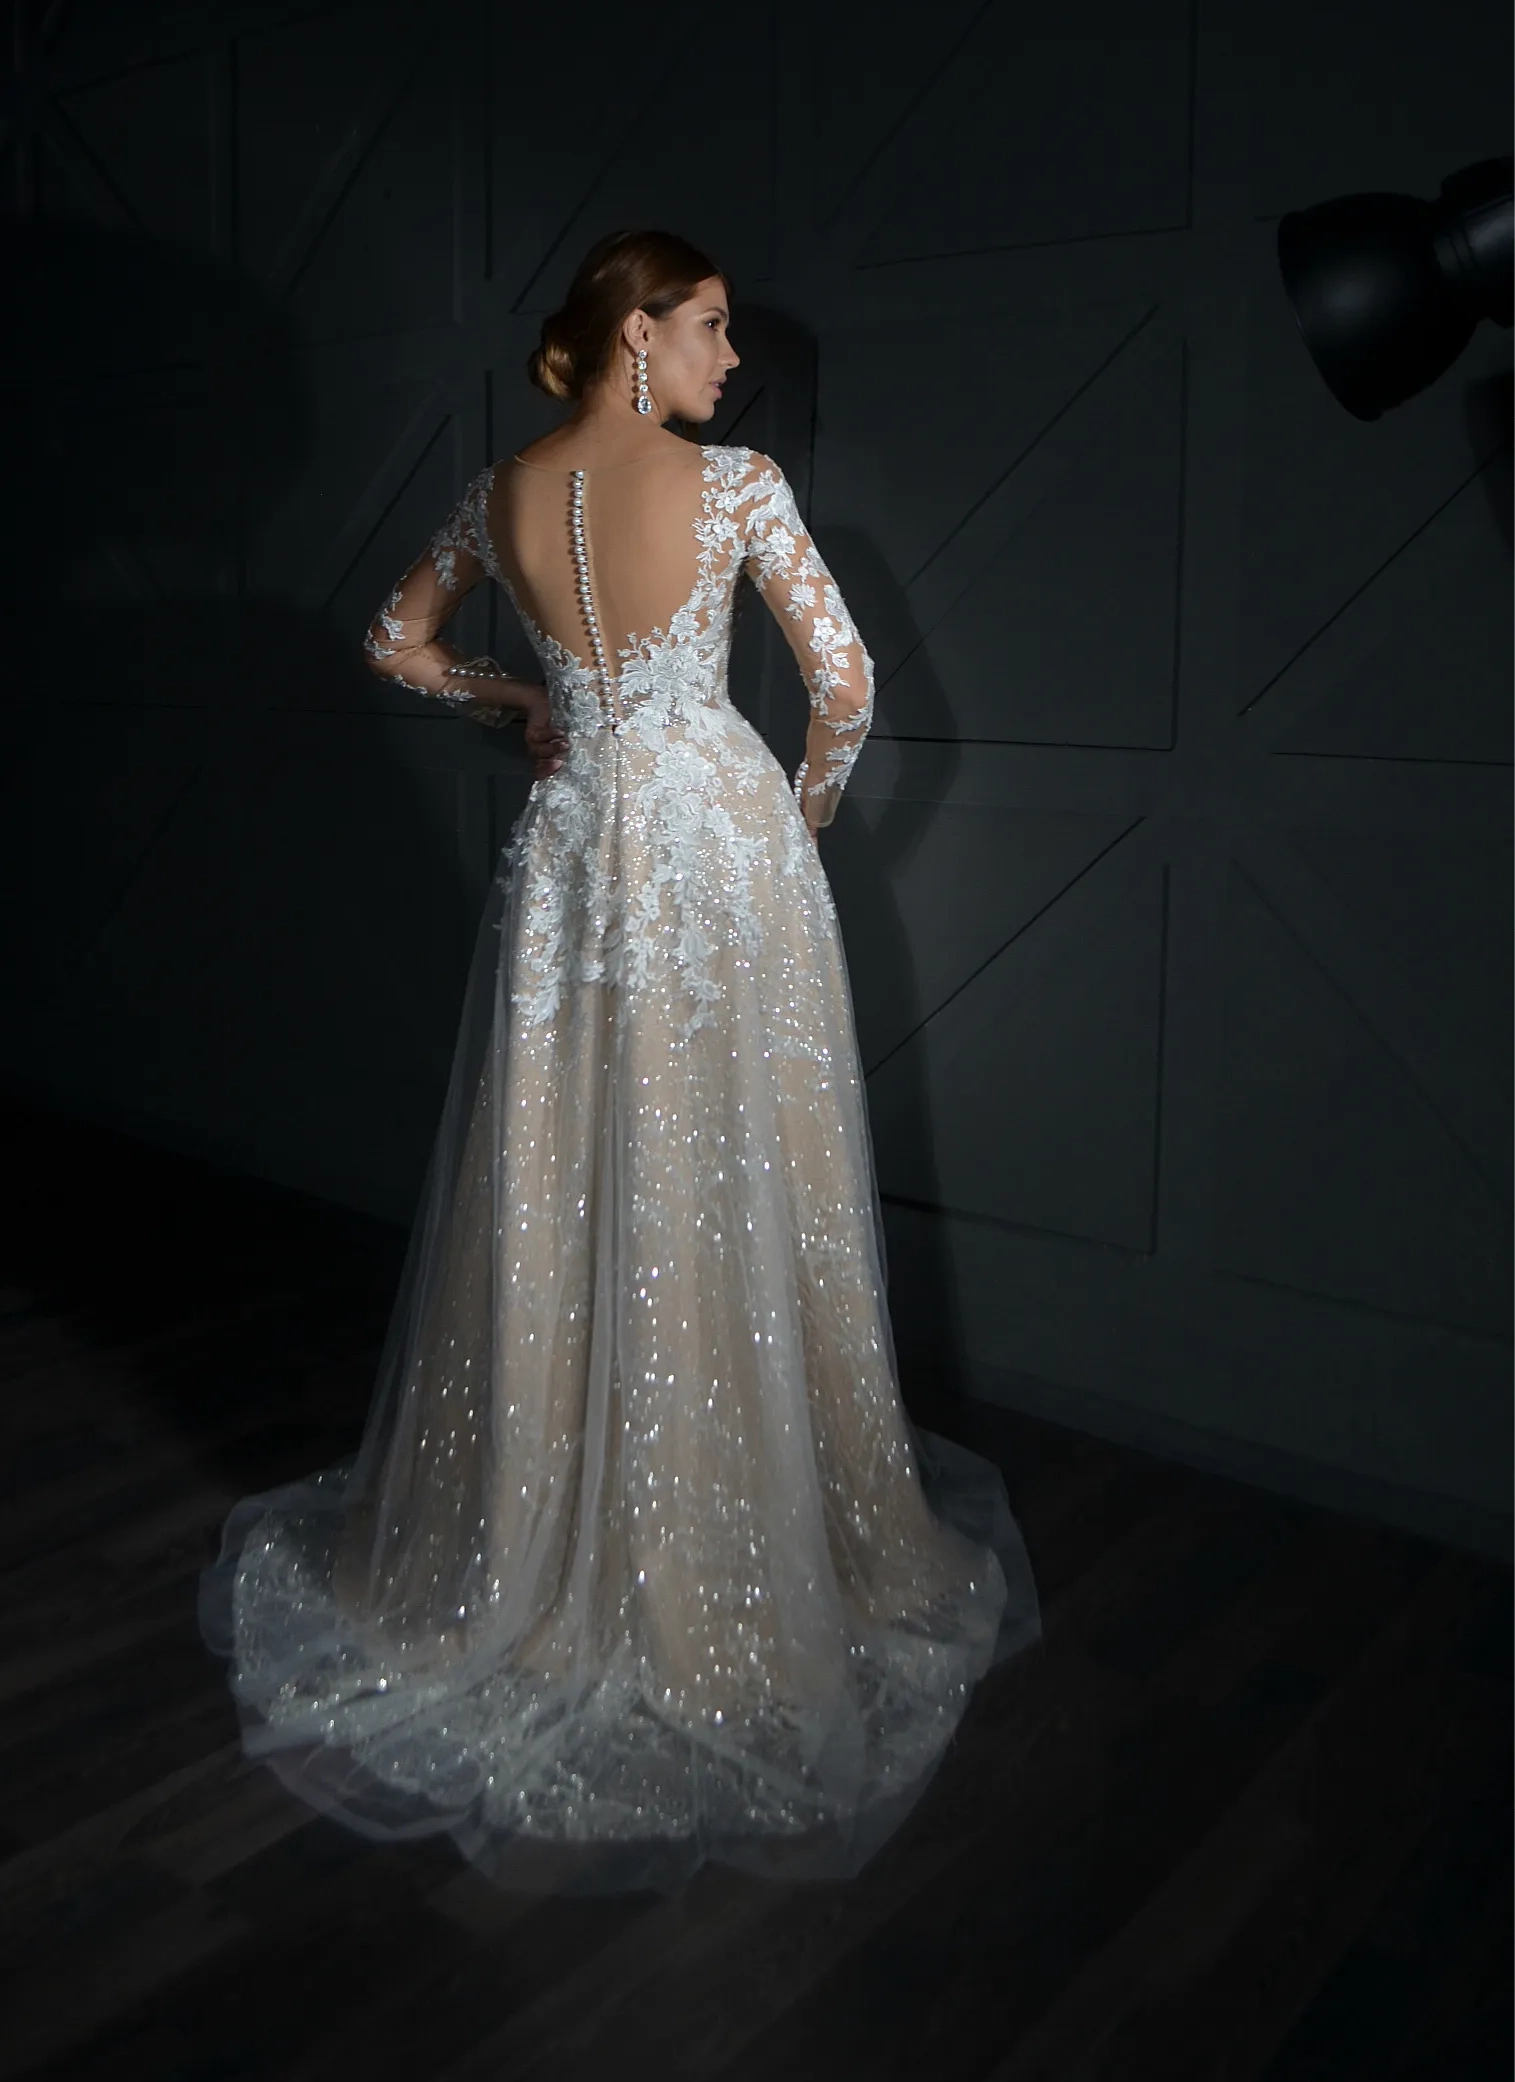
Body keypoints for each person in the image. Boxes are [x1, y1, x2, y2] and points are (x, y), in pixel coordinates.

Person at [199, 229, 1041, 1893]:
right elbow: (846, 686)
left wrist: (514, 699)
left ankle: (543, 1540)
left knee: (562, 1171)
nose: (729, 359)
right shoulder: (734, 487)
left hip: (575, 854)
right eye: (708, 327)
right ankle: (715, 1556)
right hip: (717, 858)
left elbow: (389, 639)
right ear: (633, 332)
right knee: (722, 1173)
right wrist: (789, 824)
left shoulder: (497, 490)